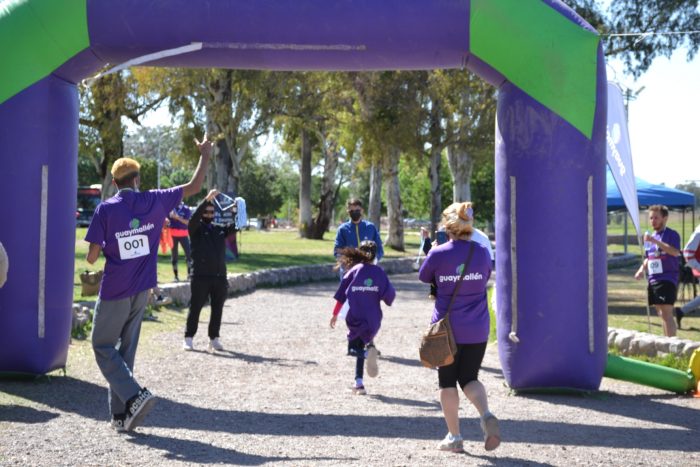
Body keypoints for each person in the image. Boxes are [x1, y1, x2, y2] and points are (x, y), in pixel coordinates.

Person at [85, 135, 212, 432]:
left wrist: (103, 244)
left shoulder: (105, 209)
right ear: (138, 179)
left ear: (115, 183)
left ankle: (134, 395)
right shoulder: (156, 199)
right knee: (124, 351)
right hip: (142, 288)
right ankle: (121, 416)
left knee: (102, 345)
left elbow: (91, 258)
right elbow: (194, 187)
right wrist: (204, 155)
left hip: (115, 289)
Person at [418, 201, 500, 453]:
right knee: (470, 378)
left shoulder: (438, 253)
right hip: (477, 329)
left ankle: (455, 437)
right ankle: (486, 414)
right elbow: (485, 276)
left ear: (448, 226)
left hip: (447, 332)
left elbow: (424, 276)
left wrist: (433, 250)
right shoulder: (482, 252)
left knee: (447, 383)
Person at [330, 240, 395, 395]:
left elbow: (341, 295)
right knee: (363, 344)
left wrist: (334, 314)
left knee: (353, 350)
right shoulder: (379, 272)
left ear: (360, 253)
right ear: (375, 255)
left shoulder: (354, 270)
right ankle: (359, 383)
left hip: (356, 318)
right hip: (373, 320)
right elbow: (389, 297)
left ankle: (367, 354)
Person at [183, 189, 237, 352]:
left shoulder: (219, 229)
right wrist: (207, 200)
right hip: (200, 275)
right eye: (206, 211)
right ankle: (188, 338)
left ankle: (214, 338)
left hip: (219, 276)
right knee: (196, 307)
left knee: (217, 308)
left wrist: (237, 210)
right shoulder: (195, 229)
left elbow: (237, 225)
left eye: (212, 211)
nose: (209, 213)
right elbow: (193, 218)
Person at [634, 205, 681, 337]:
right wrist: (641, 270)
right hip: (653, 279)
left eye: (656, 217)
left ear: (665, 218)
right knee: (661, 314)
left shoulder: (672, 234)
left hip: (667, 278)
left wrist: (655, 241)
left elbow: (674, 252)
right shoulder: (651, 236)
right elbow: (650, 257)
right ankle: (666, 342)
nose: (653, 221)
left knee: (667, 313)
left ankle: (672, 345)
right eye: (651, 218)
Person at [420, 220, 494, 298]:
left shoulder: (437, 252)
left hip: (446, 304)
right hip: (476, 306)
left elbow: (424, 276)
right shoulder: (483, 248)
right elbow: (487, 273)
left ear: (450, 232)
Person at [333, 199, 384, 266]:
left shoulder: (370, 227)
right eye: (351, 211)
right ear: (348, 212)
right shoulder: (342, 229)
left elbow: (379, 249)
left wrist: (373, 260)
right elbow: (337, 251)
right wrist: (347, 262)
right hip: (349, 271)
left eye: (357, 210)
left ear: (362, 211)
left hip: (368, 270)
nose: (354, 213)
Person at [675, 223, 700, 328]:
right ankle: (681, 311)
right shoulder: (699, 233)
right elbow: (687, 253)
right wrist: (698, 266)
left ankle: (681, 311)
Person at [169, 201, 193, 281]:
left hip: (183, 234)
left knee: (189, 254)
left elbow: (187, 222)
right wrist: (168, 218)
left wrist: (177, 218)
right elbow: (166, 220)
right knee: (174, 255)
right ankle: (176, 277)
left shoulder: (186, 209)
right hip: (173, 234)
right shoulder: (171, 207)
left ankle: (189, 275)